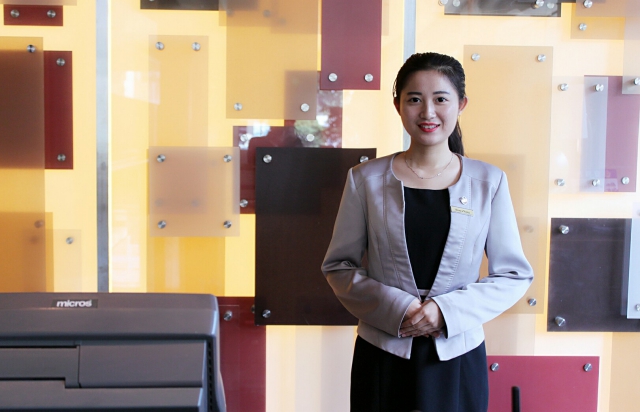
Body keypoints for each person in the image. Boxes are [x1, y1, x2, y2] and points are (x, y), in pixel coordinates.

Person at [321, 52, 533, 412]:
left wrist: (445, 311)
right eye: (415, 99)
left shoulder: (489, 181)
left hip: (457, 353)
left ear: (461, 104)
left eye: (441, 99)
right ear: (398, 105)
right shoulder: (365, 180)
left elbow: (514, 275)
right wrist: (399, 308)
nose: (428, 112)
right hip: (383, 351)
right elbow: (338, 267)